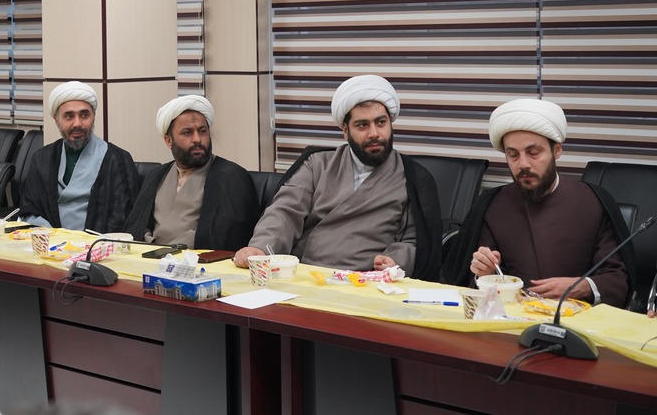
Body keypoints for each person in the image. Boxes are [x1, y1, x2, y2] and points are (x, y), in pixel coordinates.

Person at [234, 75, 442, 280]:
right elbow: (285, 211)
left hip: (366, 282)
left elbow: (415, 240)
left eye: (381, 122)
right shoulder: (317, 164)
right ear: (345, 131)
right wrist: (260, 247)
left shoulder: (412, 178)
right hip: (305, 275)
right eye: (362, 125)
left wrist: (395, 260)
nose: (374, 133)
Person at [443, 99, 635, 307]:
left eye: (533, 153)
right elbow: (472, 281)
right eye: (513, 155)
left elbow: (617, 278)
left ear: (557, 150)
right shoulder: (493, 205)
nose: (523, 164)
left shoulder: (593, 202)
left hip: (576, 318)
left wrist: (581, 286)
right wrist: (485, 273)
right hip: (511, 315)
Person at [125, 95, 260, 251]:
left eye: (202, 131)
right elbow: (136, 226)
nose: (197, 139)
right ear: (169, 141)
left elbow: (227, 236)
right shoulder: (156, 175)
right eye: (187, 133)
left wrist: (167, 251)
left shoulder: (231, 177)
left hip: (196, 262)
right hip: (147, 258)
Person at [19, 81, 139, 233]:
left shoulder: (118, 160)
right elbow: (30, 210)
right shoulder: (42, 159)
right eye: (69, 116)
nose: (77, 123)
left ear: (93, 116)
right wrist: (53, 237)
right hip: (50, 243)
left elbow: (125, 218)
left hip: (97, 245)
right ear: (57, 120)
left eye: (84, 115)